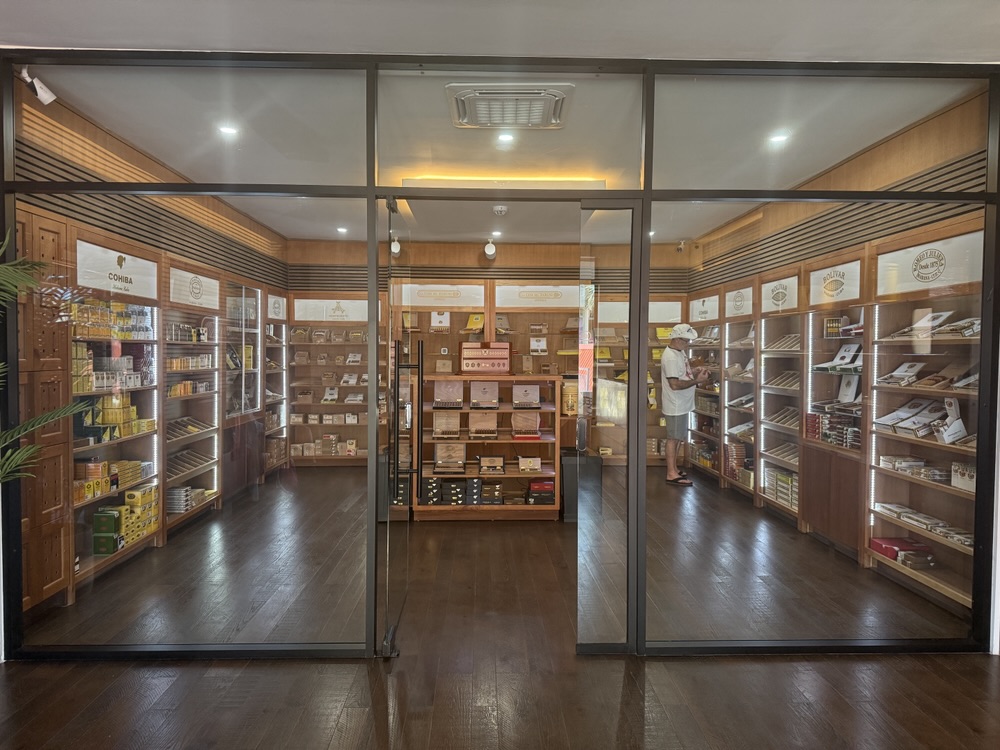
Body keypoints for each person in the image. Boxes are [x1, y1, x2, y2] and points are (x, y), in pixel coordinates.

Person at [660, 323, 709, 486]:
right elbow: (674, 384)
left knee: (678, 437)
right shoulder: (671, 357)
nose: (688, 344)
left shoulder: (678, 353)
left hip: (682, 403)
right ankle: (671, 473)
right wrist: (697, 380)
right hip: (675, 404)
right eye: (686, 341)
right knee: (673, 438)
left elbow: (681, 374)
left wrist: (693, 372)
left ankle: (674, 468)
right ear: (677, 339)